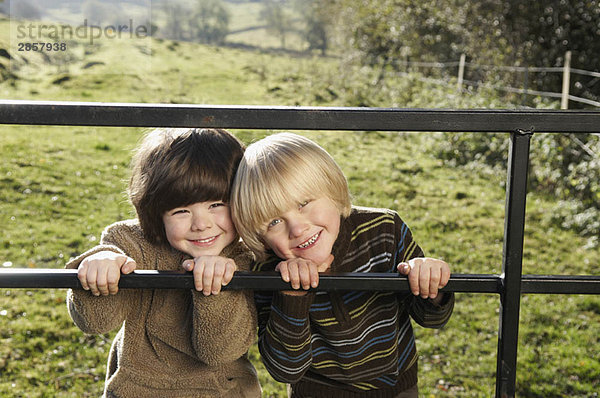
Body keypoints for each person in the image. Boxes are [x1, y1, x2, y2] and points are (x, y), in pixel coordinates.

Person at [230, 132, 454, 398]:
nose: (298, 228)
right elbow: (285, 370)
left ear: (333, 191)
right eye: (274, 222)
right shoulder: (266, 270)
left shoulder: (384, 230)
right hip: (316, 392)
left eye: (304, 204)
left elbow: (432, 317)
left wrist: (431, 283)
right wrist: (291, 297)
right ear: (261, 238)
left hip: (398, 387)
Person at [65, 128, 261, 398]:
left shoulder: (245, 256)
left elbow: (219, 351)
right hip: (139, 389)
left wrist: (216, 289)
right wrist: (100, 269)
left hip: (222, 391)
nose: (202, 225)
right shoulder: (130, 243)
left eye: (217, 204)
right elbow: (96, 322)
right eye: (182, 211)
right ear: (156, 212)